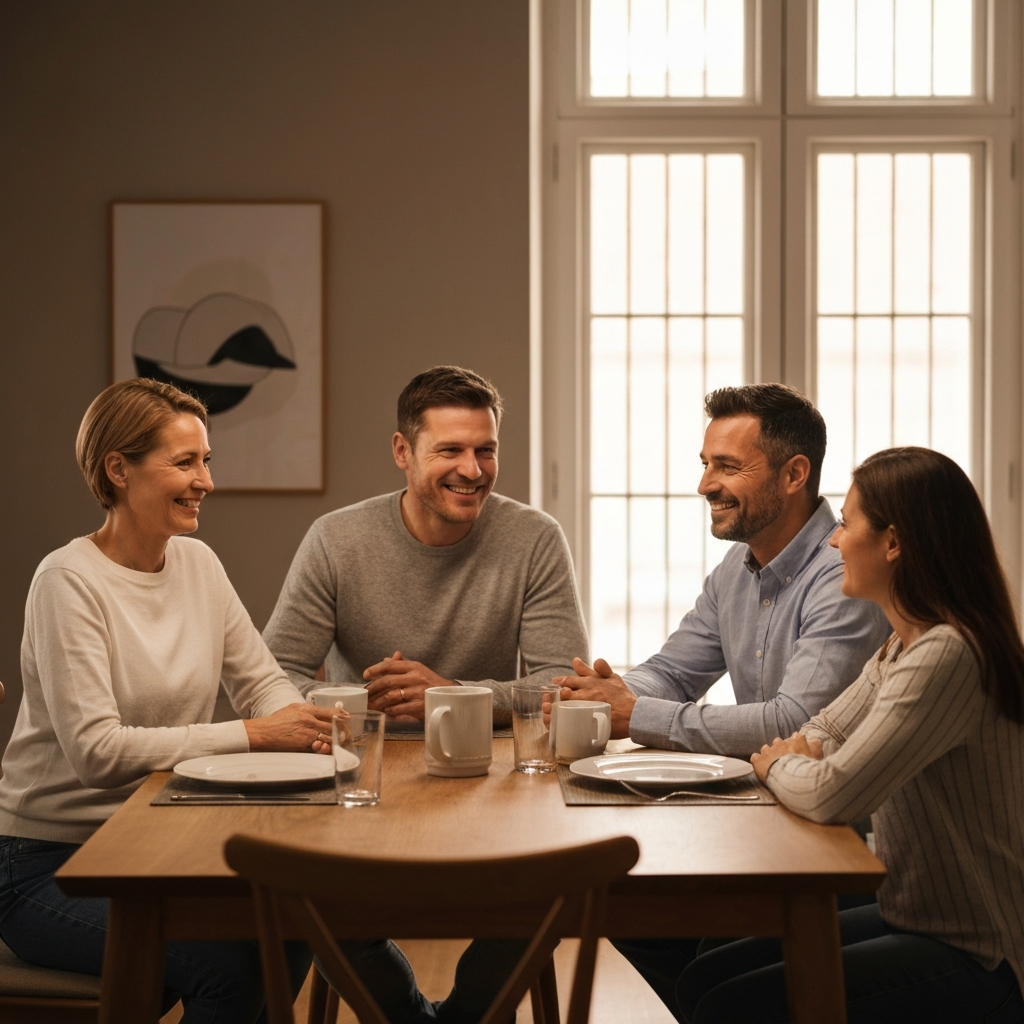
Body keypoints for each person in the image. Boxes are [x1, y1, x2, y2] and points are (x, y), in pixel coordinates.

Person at [0, 378, 339, 1023]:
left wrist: (309, 720)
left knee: (290, 924)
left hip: (159, 846)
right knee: (231, 968)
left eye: (206, 461)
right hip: (48, 867)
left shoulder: (198, 564)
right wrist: (255, 734)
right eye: (184, 462)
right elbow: (98, 754)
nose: (206, 481)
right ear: (118, 470)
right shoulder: (67, 581)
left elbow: (262, 684)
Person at [263, 364, 588, 1024]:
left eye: (486, 449)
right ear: (402, 451)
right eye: (451, 450)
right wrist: (360, 706)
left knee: (549, 897)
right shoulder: (336, 539)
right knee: (312, 902)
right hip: (362, 782)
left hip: (493, 786)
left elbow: (561, 683)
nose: (472, 469)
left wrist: (452, 694)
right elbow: (273, 678)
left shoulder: (535, 538)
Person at [552, 383, 890, 1017]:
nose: (705, 484)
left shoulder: (846, 572)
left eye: (728, 467)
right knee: (619, 906)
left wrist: (636, 714)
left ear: (795, 474)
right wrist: (608, 695)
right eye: (706, 464)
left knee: (693, 948)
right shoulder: (736, 569)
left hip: (838, 846)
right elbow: (673, 671)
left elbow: (796, 720)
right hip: (764, 820)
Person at [677, 447, 1024, 1024]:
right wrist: (800, 755)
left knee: (728, 1004)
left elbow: (834, 791)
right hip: (913, 913)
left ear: (893, 542)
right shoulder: (901, 644)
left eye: (847, 523)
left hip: (979, 954)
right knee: (706, 971)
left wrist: (777, 765)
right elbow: (821, 731)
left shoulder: (945, 654)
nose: (834, 542)